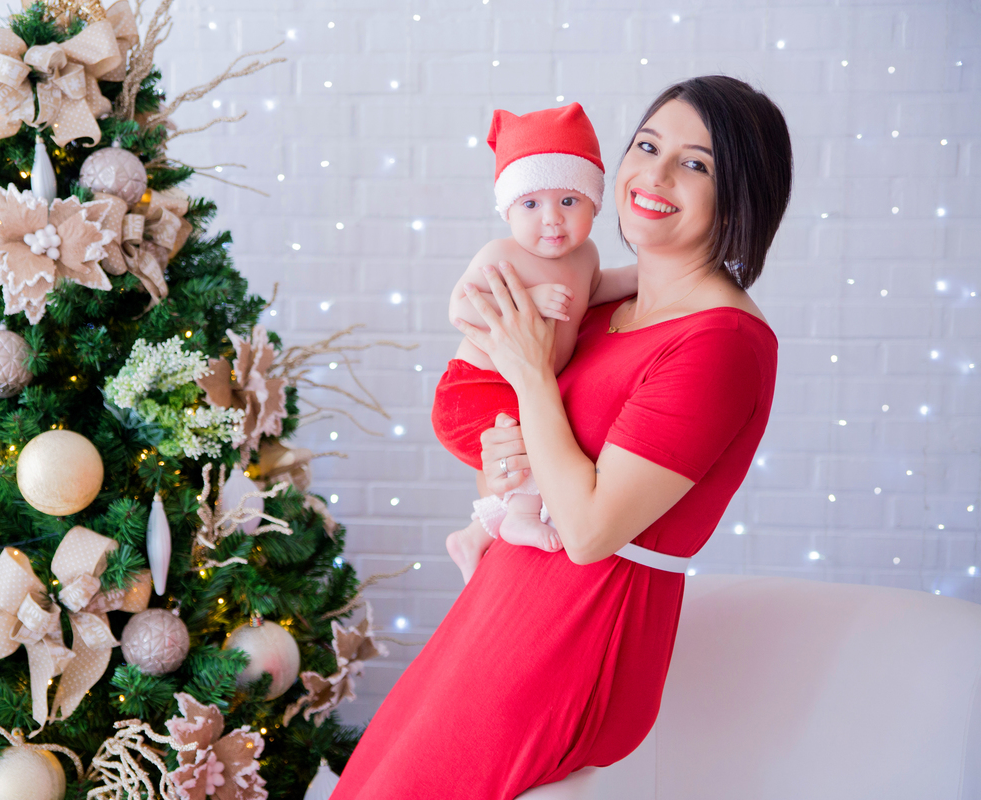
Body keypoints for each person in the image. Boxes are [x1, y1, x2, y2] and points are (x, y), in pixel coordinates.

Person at [329, 75, 792, 800]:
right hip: (502, 605)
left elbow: (586, 531)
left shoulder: (722, 344)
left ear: (743, 195)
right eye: (647, 145)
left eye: (695, 163)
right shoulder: (608, 309)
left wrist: (529, 373)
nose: (656, 174)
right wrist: (498, 455)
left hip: (578, 633)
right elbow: (524, 465)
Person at [437, 103, 638, 582]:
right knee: (533, 446)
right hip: (476, 387)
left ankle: (473, 537)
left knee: (547, 437)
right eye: (531, 204)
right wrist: (528, 296)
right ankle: (520, 519)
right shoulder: (502, 256)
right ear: (508, 209)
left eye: (569, 202)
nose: (552, 219)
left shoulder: (585, 255)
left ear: (593, 204)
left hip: (519, 386)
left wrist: (641, 277)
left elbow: (595, 290)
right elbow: (459, 309)